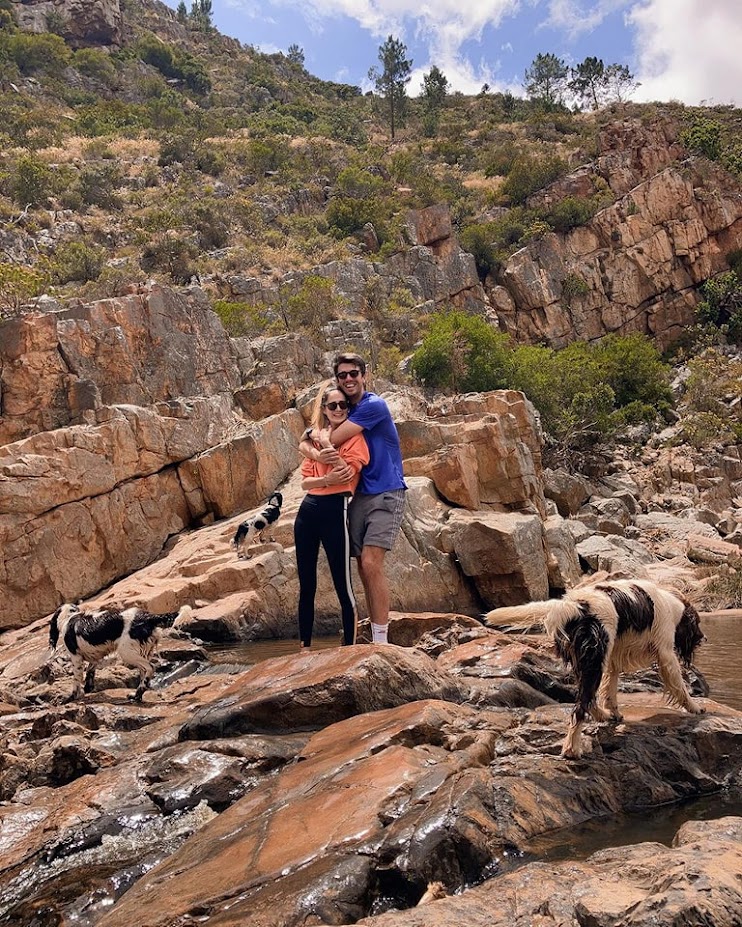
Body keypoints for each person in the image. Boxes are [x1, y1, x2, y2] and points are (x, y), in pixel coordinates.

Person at [299, 353, 406, 644]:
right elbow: (309, 440)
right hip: (358, 495)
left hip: (386, 490)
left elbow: (329, 439)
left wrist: (315, 440)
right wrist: (312, 444)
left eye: (353, 373)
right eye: (342, 375)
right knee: (361, 565)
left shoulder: (372, 405)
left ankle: (381, 642)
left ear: (364, 375)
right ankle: (375, 632)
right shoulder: (346, 408)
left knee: (371, 562)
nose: (348, 379)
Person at [295, 381, 369, 650]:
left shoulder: (355, 439)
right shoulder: (314, 438)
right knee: (307, 585)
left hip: (336, 511)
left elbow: (346, 474)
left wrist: (325, 444)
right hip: (307, 512)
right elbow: (305, 484)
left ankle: (349, 649)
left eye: (343, 405)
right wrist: (325, 479)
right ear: (325, 409)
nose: (338, 409)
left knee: (343, 584)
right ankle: (304, 649)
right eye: (333, 405)